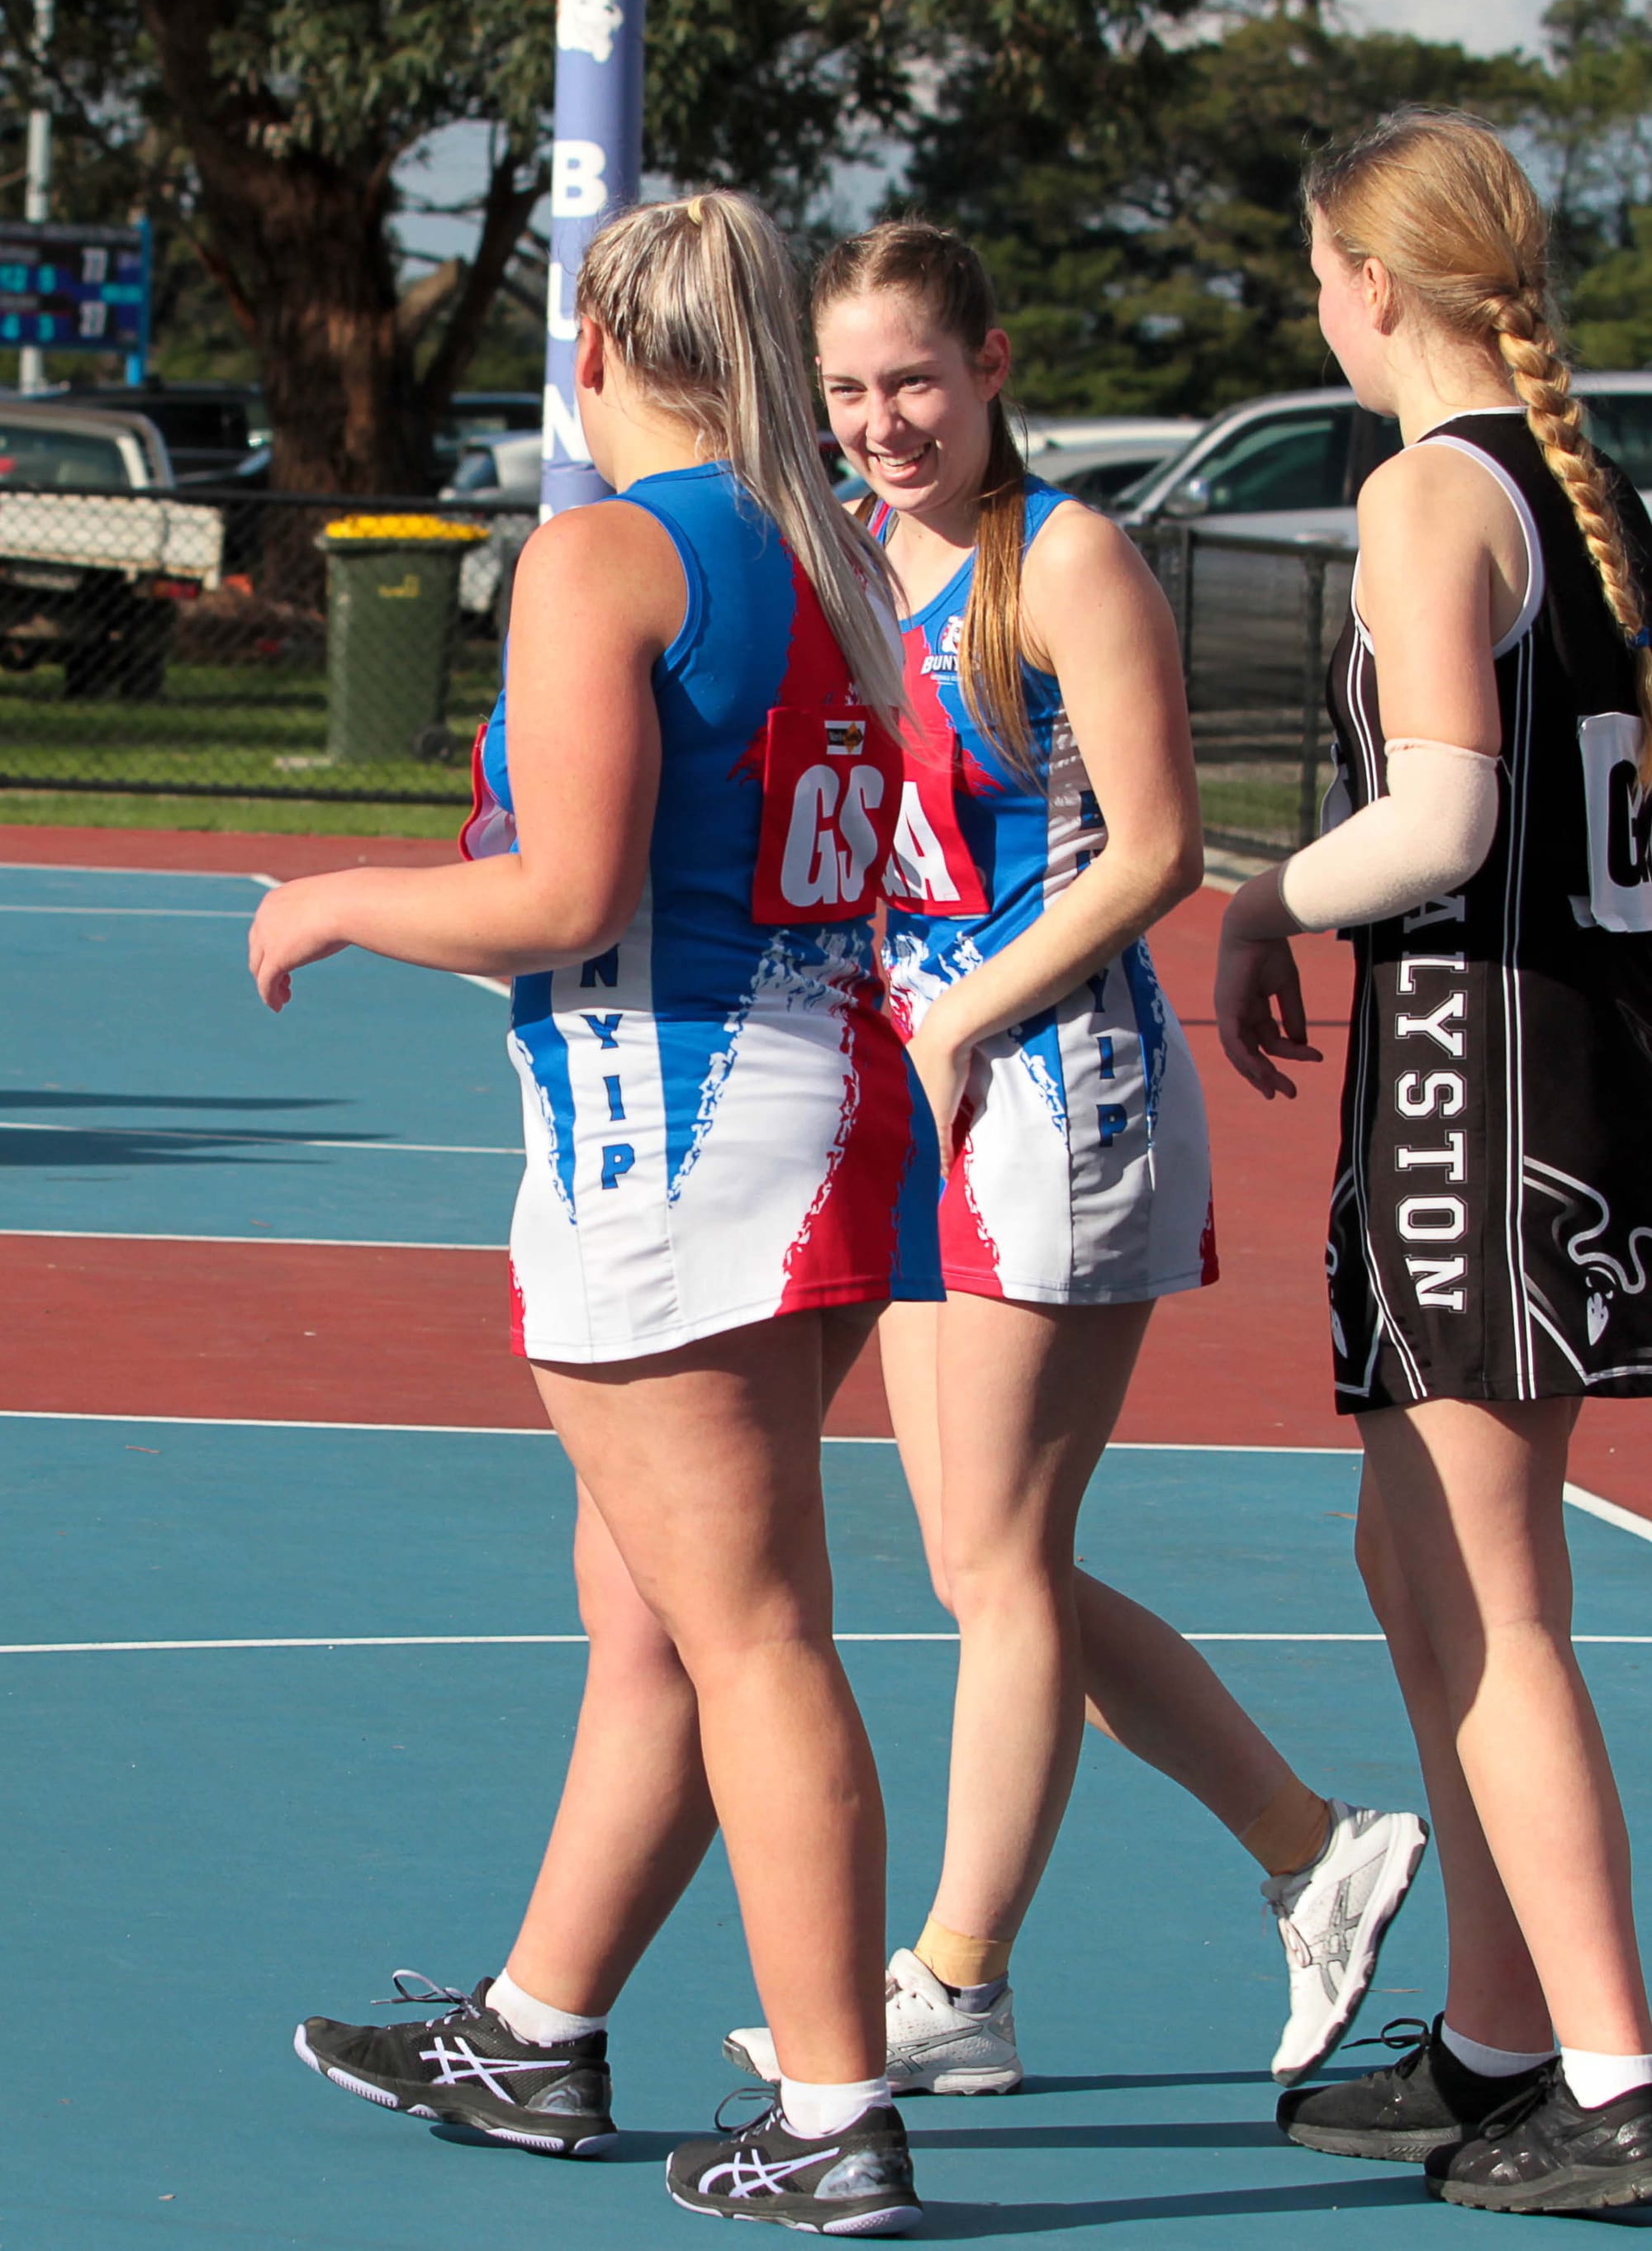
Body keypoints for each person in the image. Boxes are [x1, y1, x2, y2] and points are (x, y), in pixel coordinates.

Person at [249, 189, 943, 2237]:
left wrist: (340, 897)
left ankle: (835, 2112)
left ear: (593, 352)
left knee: (747, 1632)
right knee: (652, 1616)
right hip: (819, 1101)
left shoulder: (605, 555)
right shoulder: (831, 558)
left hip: (677, 1131)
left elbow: (564, 895)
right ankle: (539, 2024)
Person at [724, 221, 1426, 2101]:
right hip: (928, 1090)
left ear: (994, 365)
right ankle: (1309, 1844)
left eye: (915, 383)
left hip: (1055, 1093)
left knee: (1006, 1562)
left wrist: (959, 1019)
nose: (882, 420)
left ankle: (955, 1983)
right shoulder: (856, 558)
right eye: (849, 390)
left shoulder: (1069, 560)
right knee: (982, 1562)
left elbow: (1151, 853)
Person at [1215, 110, 1652, 2215]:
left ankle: (1618, 2064)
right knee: (1419, 1569)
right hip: (1526, 1072)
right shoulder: (1579, 491)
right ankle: (1498, 2033)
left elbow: (1445, 823)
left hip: (1486, 1086)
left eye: (1317, 272)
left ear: (1367, 286)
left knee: (1492, 1601)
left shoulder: (1424, 494)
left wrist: (1251, 897)